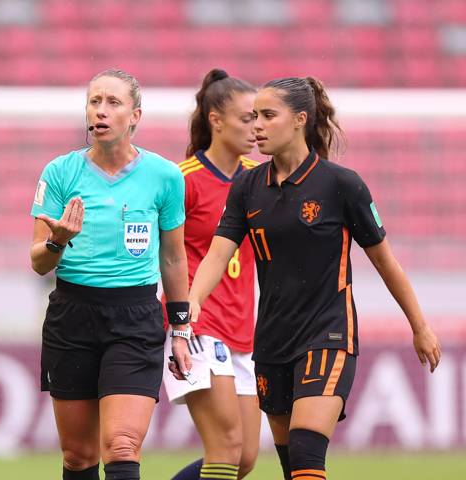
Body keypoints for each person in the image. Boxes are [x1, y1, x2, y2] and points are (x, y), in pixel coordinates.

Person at [186, 76, 441, 480]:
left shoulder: (341, 184)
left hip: (328, 334)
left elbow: (386, 263)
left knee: (306, 454)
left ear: (300, 120)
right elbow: (219, 253)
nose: (257, 126)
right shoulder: (248, 186)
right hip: (271, 342)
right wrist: (193, 301)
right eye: (254, 117)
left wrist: (420, 327)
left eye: (268, 116)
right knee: (292, 466)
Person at [30, 68, 191, 480]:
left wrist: (181, 331)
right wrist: (58, 241)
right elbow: (38, 262)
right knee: (79, 456)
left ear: (135, 116)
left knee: (121, 446)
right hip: (71, 315)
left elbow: (173, 260)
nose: (100, 111)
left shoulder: (165, 176)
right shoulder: (59, 173)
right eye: (94, 101)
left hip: (134, 318)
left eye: (113, 103)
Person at [162, 69, 260, 480]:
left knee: (245, 459)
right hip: (200, 327)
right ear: (216, 121)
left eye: (259, 118)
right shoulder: (183, 180)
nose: (256, 128)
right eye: (246, 118)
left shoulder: (259, 179)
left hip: (244, 329)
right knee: (225, 448)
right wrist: (176, 321)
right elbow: (161, 255)